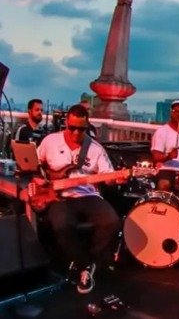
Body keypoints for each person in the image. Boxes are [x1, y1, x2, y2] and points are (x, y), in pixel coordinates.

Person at [35, 104, 122, 294]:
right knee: (61, 224)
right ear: (66, 123)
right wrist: (41, 178)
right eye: (72, 127)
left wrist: (116, 178)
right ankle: (84, 264)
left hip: (87, 194)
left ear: (87, 126)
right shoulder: (50, 141)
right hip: (59, 196)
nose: (76, 133)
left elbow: (108, 176)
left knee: (112, 222)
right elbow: (35, 162)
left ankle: (89, 263)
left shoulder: (96, 149)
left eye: (81, 129)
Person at [150, 99, 179, 190]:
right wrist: (168, 156)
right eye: (175, 111)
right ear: (171, 113)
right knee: (164, 184)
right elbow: (156, 156)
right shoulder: (161, 131)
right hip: (167, 169)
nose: (177, 114)